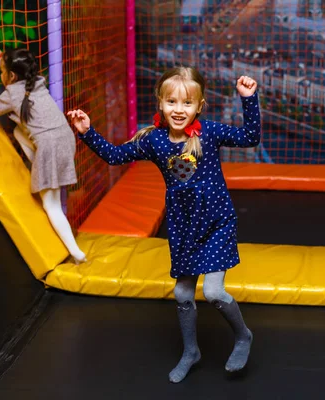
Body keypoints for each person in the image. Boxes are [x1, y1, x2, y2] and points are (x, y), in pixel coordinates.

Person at [68, 67, 261, 383]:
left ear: (199, 106)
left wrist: (248, 99)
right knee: (183, 293)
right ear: (160, 102)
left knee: (213, 292)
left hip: (216, 221)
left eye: (187, 104)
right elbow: (115, 156)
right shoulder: (152, 140)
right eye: (172, 101)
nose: (179, 110)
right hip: (184, 226)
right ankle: (191, 352)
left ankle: (243, 336)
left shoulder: (208, 134)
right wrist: (87, 132)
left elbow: (250, 137)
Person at [0, 27, 86, 264]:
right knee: (20, 129)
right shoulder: (35, 81)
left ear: (10, 77)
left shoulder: (13, 95)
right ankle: (38, 166)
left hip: (49, 147)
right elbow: (9, 69)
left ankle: (77, 254)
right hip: (64, 138)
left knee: (51, 205)